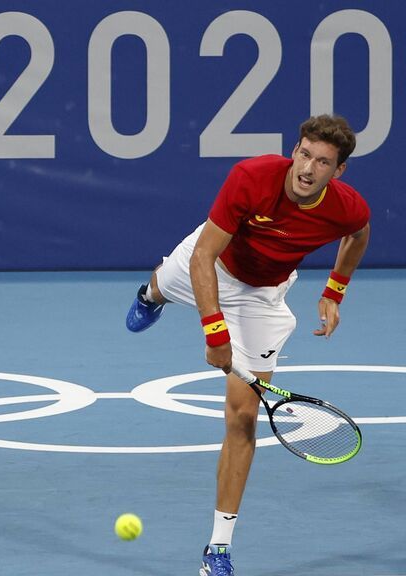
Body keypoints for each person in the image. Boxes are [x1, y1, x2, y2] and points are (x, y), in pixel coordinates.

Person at [125, 115, 370, 576]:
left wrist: (335, 289)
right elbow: (203, 255)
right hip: (212, 263)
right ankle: (149, 295)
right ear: (293, 150)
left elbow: (358, 233)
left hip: (262, 296)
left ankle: (217, 548)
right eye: (303, 153)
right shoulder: (251, 178)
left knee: (243, 417)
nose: (308, 168)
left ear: (337, 172)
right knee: (161, 284)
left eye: (322, 162)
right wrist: (215, 333)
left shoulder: (347, 206)